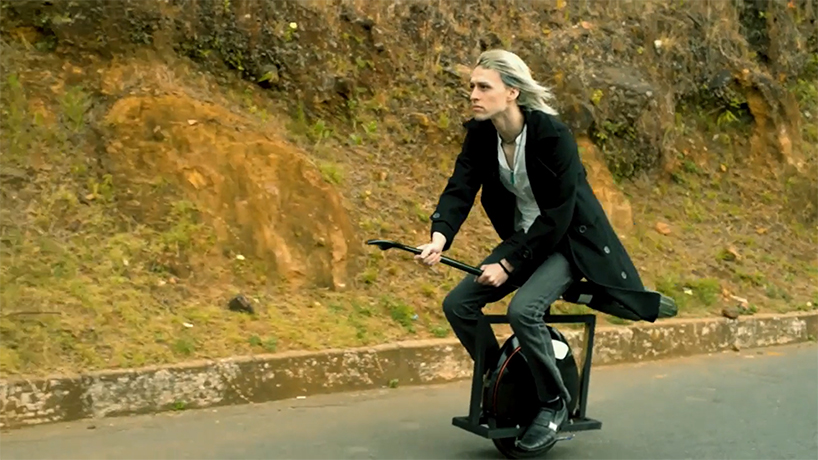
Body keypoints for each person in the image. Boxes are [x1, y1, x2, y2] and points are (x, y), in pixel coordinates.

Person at [415, 49, 664, 452]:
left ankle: (552, 404)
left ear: (512, 92)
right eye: (472, 86)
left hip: (566, 242)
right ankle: (500, 378)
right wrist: (439, 238)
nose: (473, 94)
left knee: (523, 310)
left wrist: (508, 263)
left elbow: (558, 215)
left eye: (484, 87)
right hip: (523, 239)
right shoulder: (482, 134)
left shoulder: (552, 135)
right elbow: (460, 188)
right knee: (458, 304)